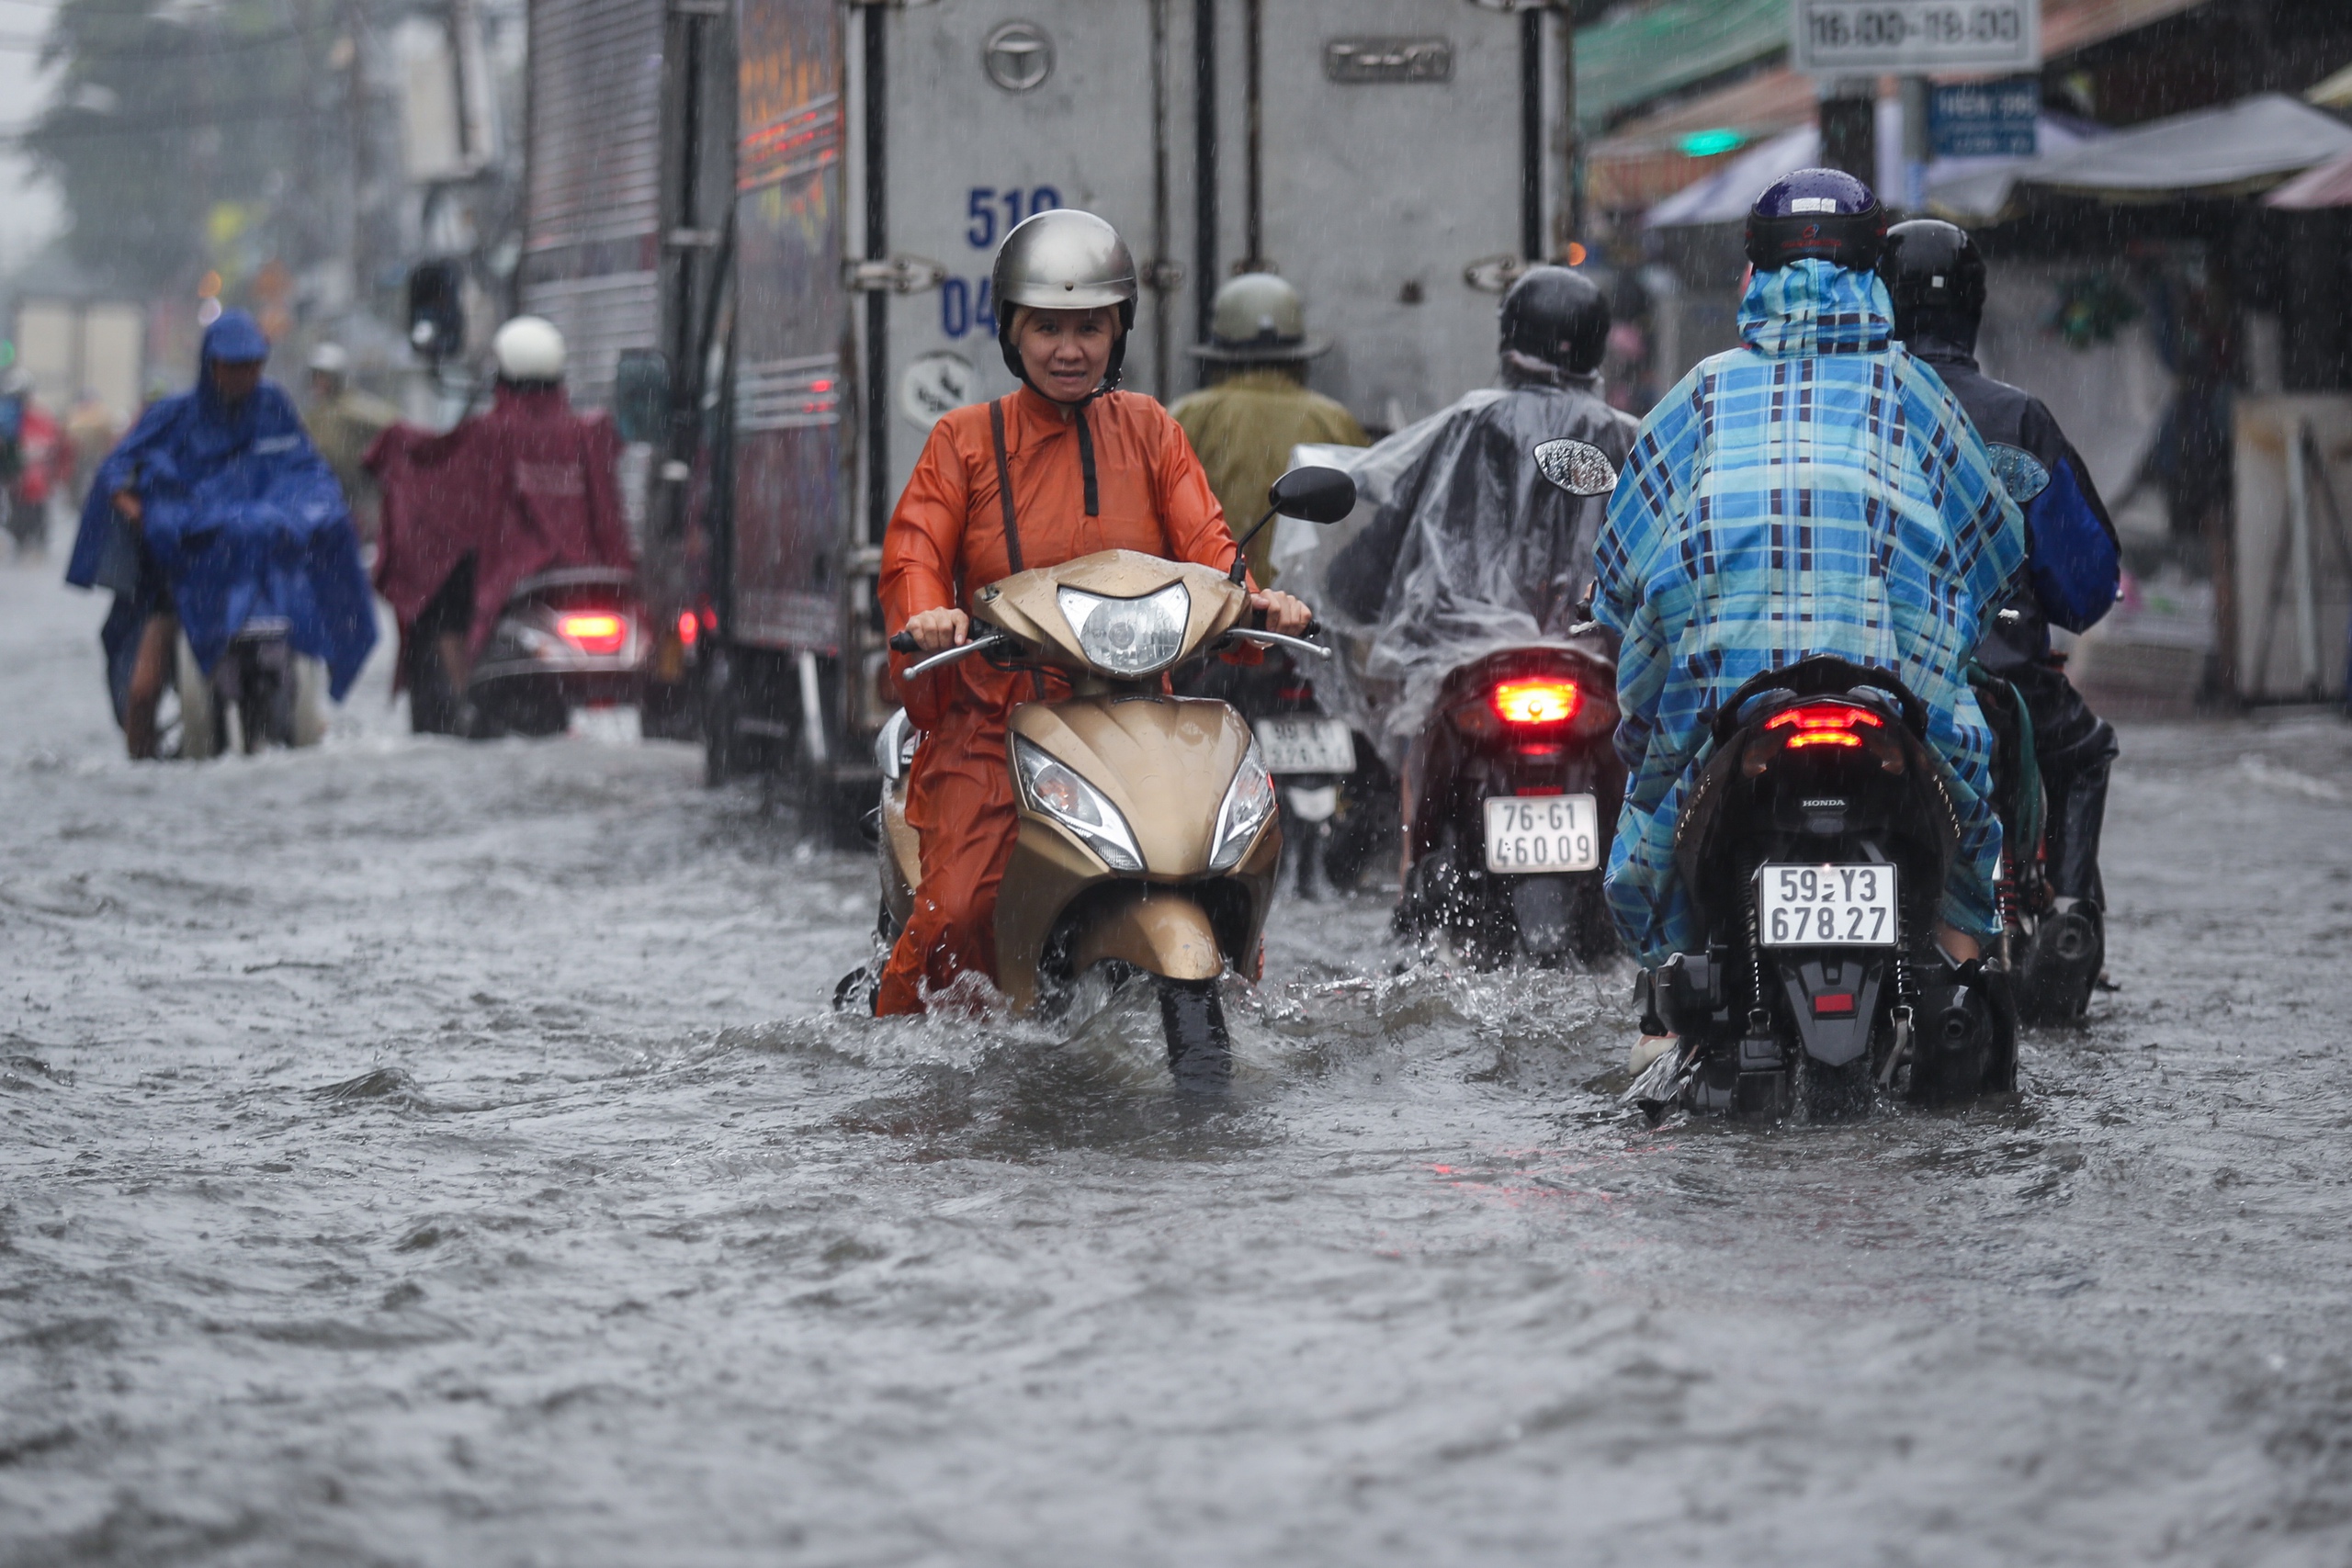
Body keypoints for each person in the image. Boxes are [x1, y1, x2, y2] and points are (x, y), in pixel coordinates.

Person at [1592, 171, 2024, 1055]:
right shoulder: (1912, 392)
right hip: (1894, 705)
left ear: (1754, 275)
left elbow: (1626, 569)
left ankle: (1667, 1007)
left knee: (1650, 814)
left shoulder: (1703, 393)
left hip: (1726, 705)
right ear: (1871, 276)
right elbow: (1990, 548)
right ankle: (1962, 981)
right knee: (1971, 811)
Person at [877, 209, 1311, 1016]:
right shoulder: (963, 441)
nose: (1069, 348)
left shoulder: (1151, 430)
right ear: (1012, 332)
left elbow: (1211, 551)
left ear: (1119, 330)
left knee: (1226, 867)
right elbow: (914, 556)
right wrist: (930, 615)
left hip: (1139, 714)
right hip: (995, 725)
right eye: (1047, 327)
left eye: (1089, 327)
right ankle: (898, 1050)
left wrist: (1258, 604)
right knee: (960, 914)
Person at [1879, 219, 2121, 924]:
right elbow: (2085, 584)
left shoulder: (1847, 406)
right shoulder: (2016, 418)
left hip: (1870, 669)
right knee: (2085, 753)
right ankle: (2068, 916)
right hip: (2003, 675)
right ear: (1972, 306)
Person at [1319, 265, 1638, 754]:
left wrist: (1349, 591)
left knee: (1419, 777)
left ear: (1509, 339)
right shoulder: (1633, 439)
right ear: (1597, 346)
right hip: (1601, 680)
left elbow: (1383, 551)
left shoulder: (1467, 428)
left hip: (1475, 681)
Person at [63, 310, 376, 758]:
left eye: (253, 365)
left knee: (312, 661)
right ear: (212, 365)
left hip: (265, 579)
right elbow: (116, 471)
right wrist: (144, 514)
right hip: (183, 579)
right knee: (142, 692)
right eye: (234, 365)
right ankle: (142, 771)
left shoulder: (274, 408)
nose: (245, 376)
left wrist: (311, 512)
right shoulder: (173, 416)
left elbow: (307, 471)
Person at [366, 316, 634, 730]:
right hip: (584, 572)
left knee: (438, 597)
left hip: (510, 576)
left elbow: (438, 471)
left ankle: (463, 698)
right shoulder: (586, 432)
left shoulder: (489, 433)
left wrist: (397, 447)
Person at [1169, 273, 1368, 588]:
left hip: (1211, 602)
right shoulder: (1334, 419)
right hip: (1302, 608)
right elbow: (1362, 521)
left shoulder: (1186, 416)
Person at [302, 342, 400, 543]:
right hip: (329, 495)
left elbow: (396, 429)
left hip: (362, 493)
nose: (319, 383)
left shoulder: (359, 410)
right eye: (316, 377)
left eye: (324, 377)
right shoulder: (314, 416)